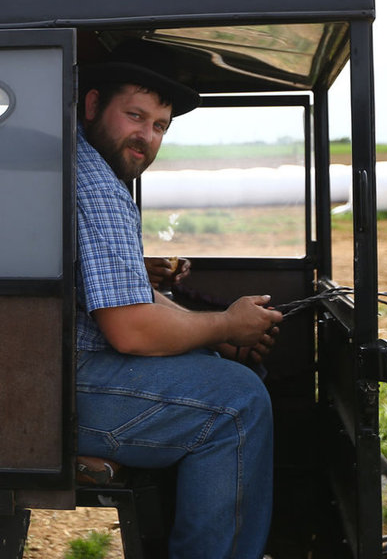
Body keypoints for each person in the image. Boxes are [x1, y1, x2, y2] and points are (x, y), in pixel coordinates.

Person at [75, 39, 283, 559]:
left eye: (160, 126)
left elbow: (129, 296)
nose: (146, 136)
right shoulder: (96, 184)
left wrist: (217, 336)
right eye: (135, 116)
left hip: (54, 370)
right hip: (58, 384)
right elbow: (131, 329)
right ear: (93, 105)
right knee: (238, 402)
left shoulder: (79, 165)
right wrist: (227, 325)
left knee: (224, 371)